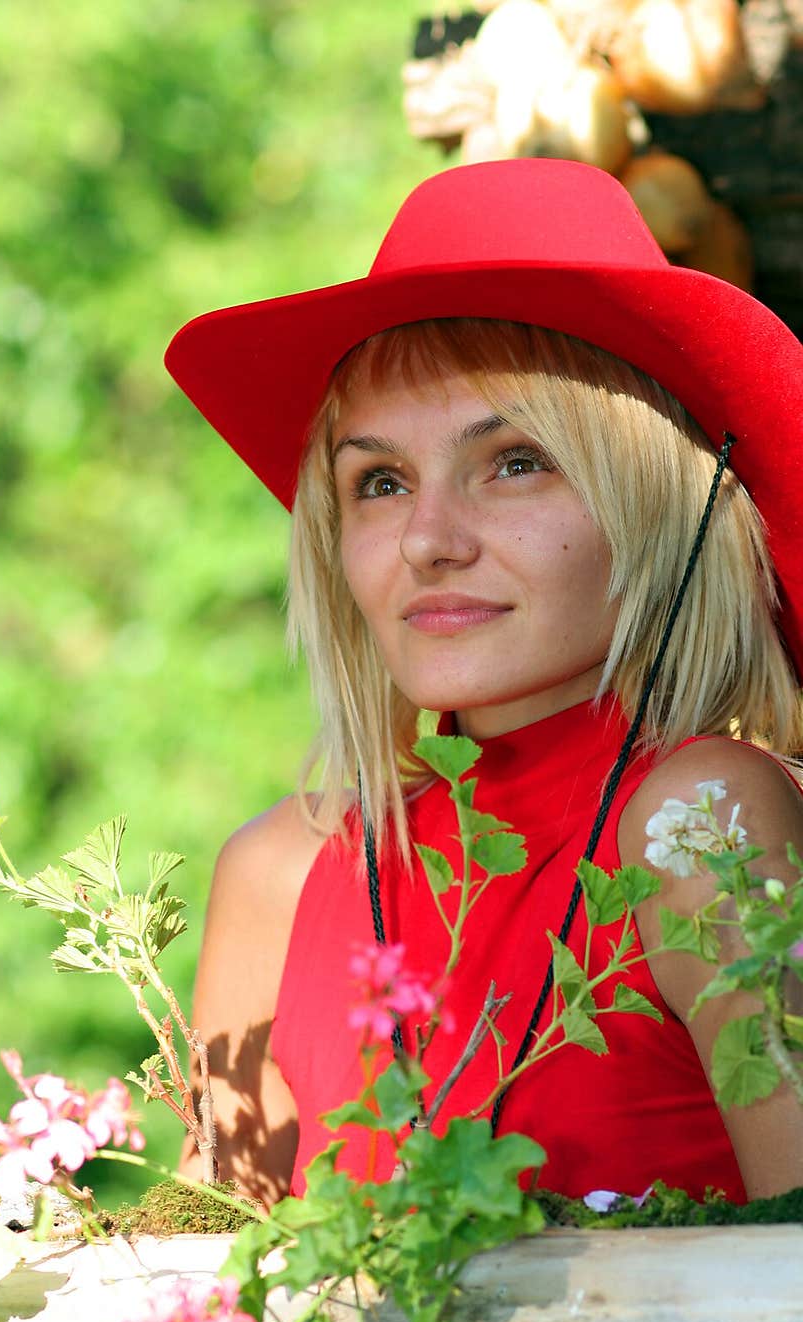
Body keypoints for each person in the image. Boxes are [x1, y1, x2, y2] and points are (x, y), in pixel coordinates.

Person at [165, 157, 803, 1211]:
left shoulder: (701, 821)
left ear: (662, 505)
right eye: (379, 481)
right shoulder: (277, 879)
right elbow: (195, 1319)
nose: (425, 539)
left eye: (515, 461)